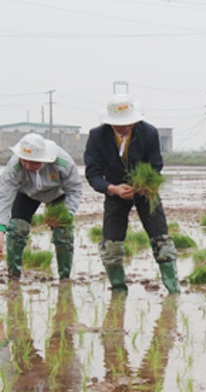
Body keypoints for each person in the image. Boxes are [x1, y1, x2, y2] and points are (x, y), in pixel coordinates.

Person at [84, 94, 179, 294]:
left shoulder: (149, 132)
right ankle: (118, 291)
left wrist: (141, 185)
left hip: (145, 191)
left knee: (161, 239)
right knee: (112, 245)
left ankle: (173, 290)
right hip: (114, 191)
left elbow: (155, 165)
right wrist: (113, 188)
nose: (124, 127)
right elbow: (93, 173)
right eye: (119, 124)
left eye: (128, 123)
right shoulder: (97, 136)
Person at [0, 133, 82, 280]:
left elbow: (74, 189)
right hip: (26, 193)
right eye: (25, 161)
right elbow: (5, 197)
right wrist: (1, 228)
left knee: (63, 233)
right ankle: (13, 276)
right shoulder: (14, 166)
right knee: (16, 230)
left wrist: (68, 213)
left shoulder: (63, 163)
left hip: (57, 194)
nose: (28, 166)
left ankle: (64, 278)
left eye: (33, 162)